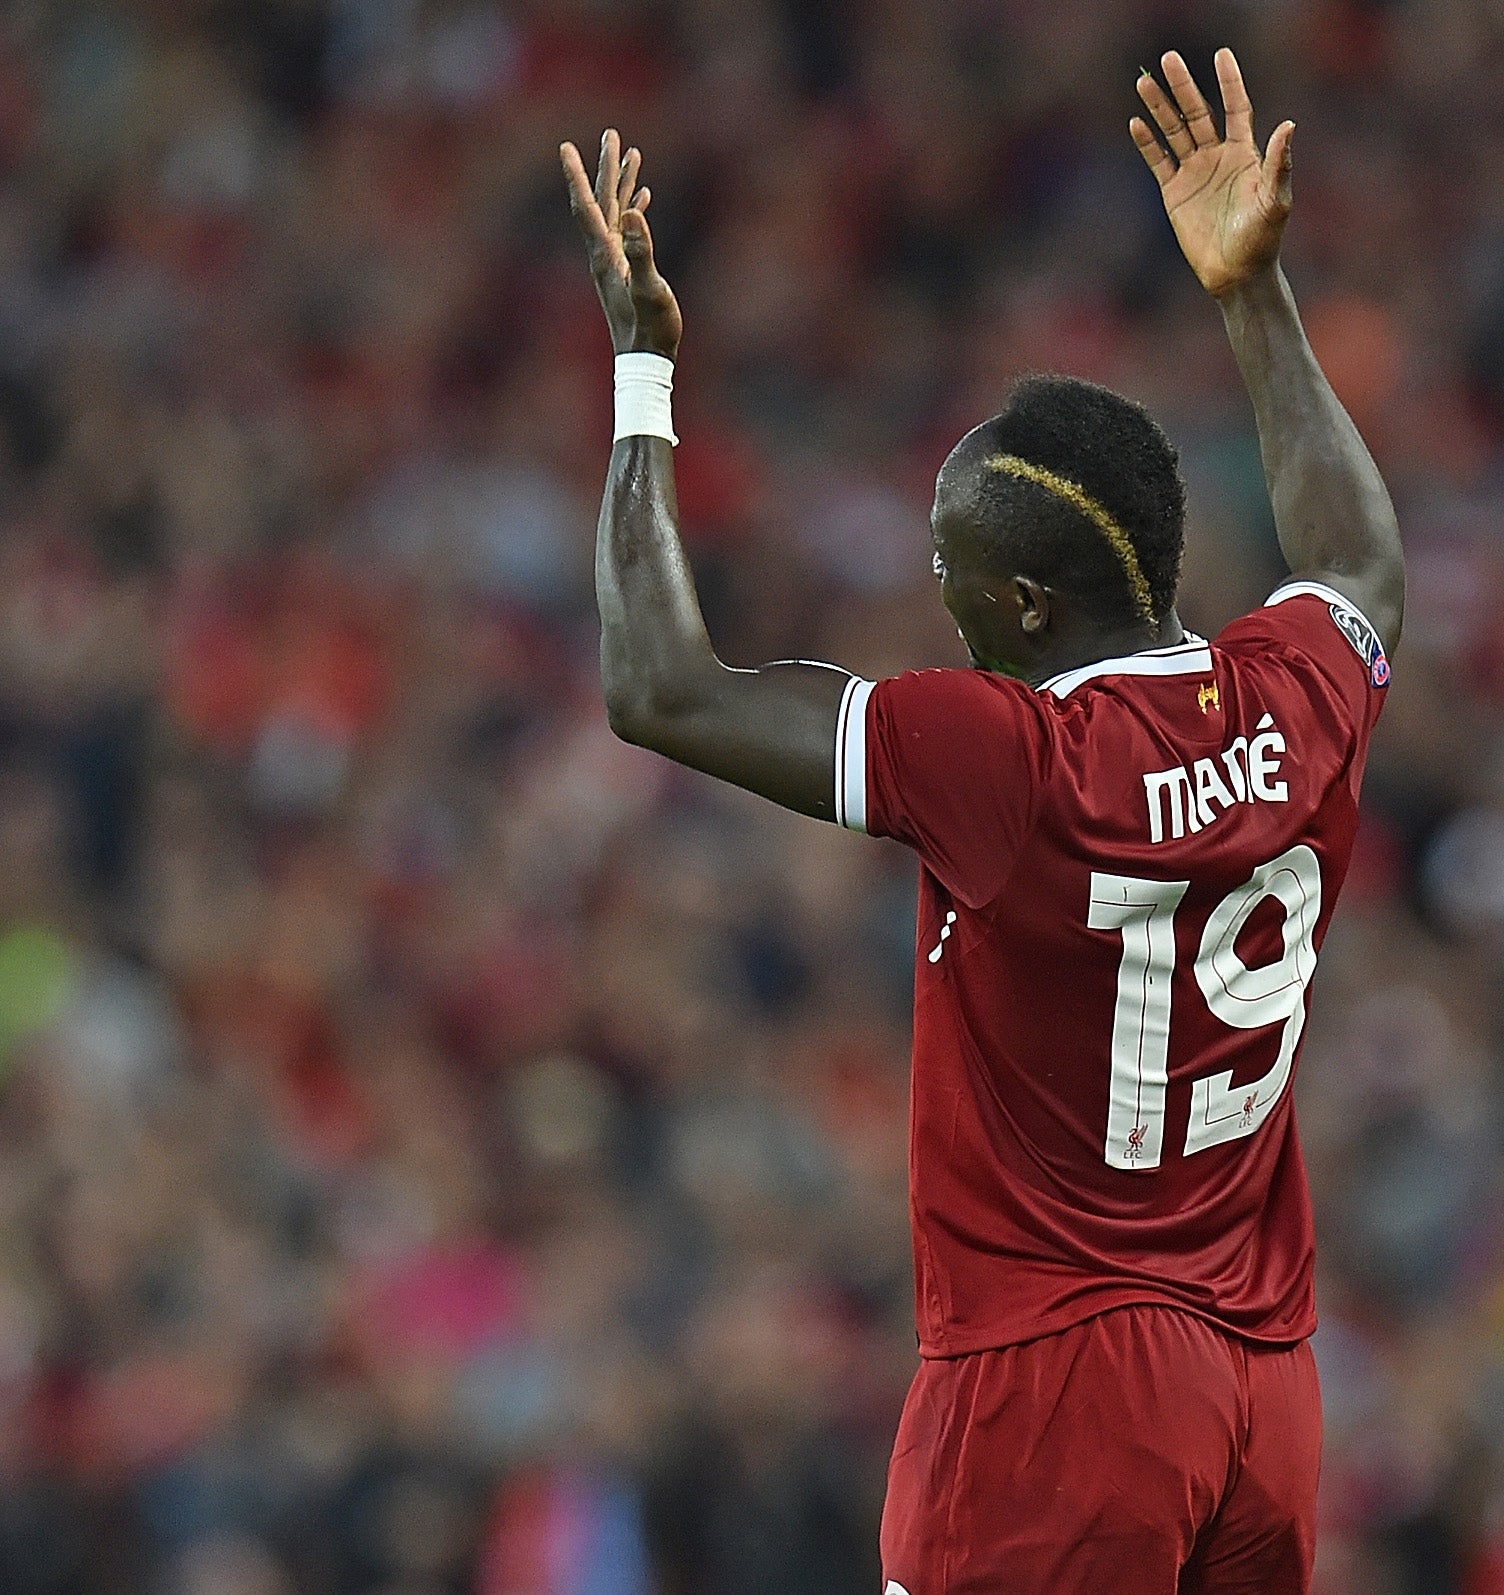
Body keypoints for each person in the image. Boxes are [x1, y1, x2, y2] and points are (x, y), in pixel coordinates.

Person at [560, 44, 1403, 1594]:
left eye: (949, 572)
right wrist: (1250, 295)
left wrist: (640, 371)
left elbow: (658, 687)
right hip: (1259, 1382)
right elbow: (1356, 558)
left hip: (1050, 1386)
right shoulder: (1290, 696)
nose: (934, 603)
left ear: (1021, 598)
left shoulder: (1008, 758)